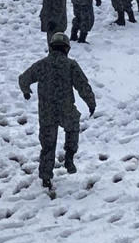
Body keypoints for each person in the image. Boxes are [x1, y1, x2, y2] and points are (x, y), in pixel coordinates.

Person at [18, 33, 96, 192]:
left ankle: (46, 177)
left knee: (47, 145)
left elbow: (23, 78)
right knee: (73, 127)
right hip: (66, 109)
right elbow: (83, 86)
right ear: (67, 48)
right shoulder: (71, 65)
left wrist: (26, 91)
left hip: (46, 112)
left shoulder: (41, 65)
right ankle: (69, 157)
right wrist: (91, 103)